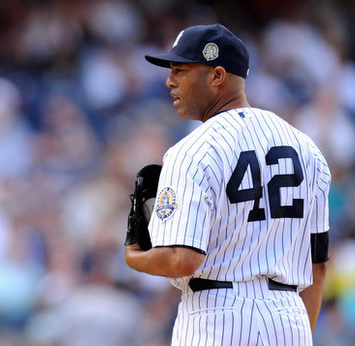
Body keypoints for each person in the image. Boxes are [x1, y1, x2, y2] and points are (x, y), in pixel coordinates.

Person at [124, 23, 331, 345]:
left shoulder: (192, 150)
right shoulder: (307, 148)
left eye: (180, 70)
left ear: (217, 76)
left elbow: (182, 259)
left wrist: (133, 254)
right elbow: (317, 267)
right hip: (290, 316)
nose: (169, 81)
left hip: (217, 316)